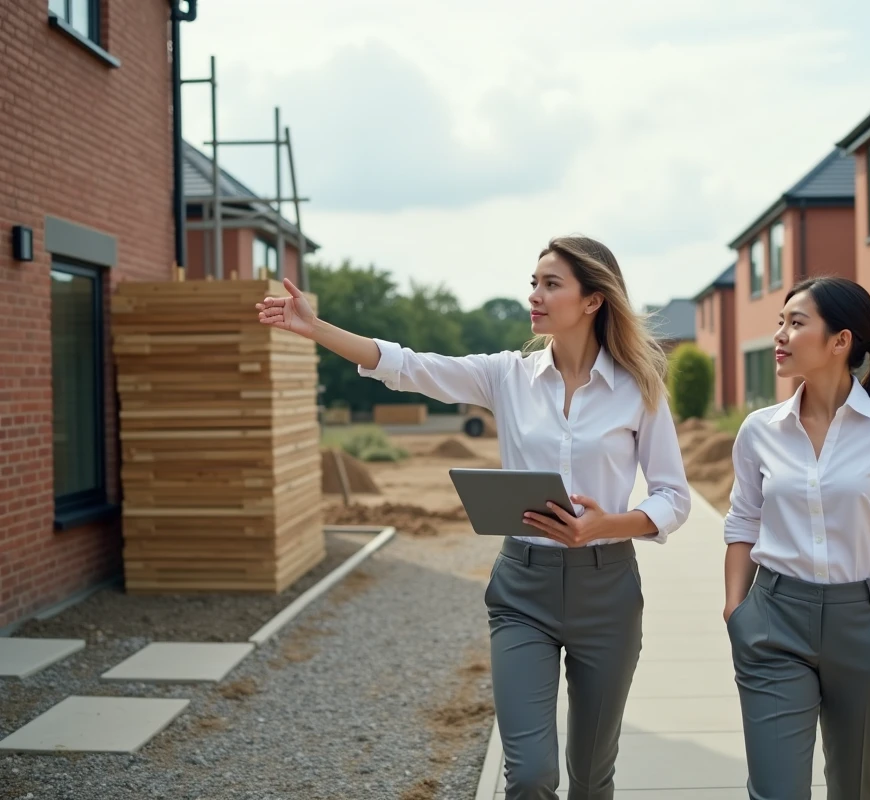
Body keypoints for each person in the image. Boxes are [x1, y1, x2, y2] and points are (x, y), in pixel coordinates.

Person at [256, 236, 691, 800]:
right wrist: (317, 330)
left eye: (551, 284)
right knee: (531, 775)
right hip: (522, 592)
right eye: (533, 282)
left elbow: (672, 497)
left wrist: (605, 525)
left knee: (591, 776)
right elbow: (408, 366)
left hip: (607, 592)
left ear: (592, 300)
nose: (534, 295)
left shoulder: (638, 388)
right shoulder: (505, 375)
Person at [722, 276, 870, 800]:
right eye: (780, 321)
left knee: (856, 789)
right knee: (777, 790)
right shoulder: (759, 430)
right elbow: (743, 521)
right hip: (772, 624)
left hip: (866, 627)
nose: (779, 334)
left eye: (795, 323)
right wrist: (736, 610)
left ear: (841, 341)